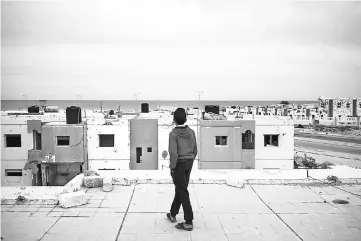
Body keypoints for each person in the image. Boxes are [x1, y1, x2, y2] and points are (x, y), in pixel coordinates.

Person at [166, 108, 197, 231]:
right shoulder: (192, 132)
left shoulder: (173, 134)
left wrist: (173, 168)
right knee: (181, 188)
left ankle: (188, 221)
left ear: (174, 120)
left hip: (179, 164)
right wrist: (190, 160)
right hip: (189, 163)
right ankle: (173, 214)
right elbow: (195, 150)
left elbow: (173, 154)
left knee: (182, 191)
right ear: (186, 118)